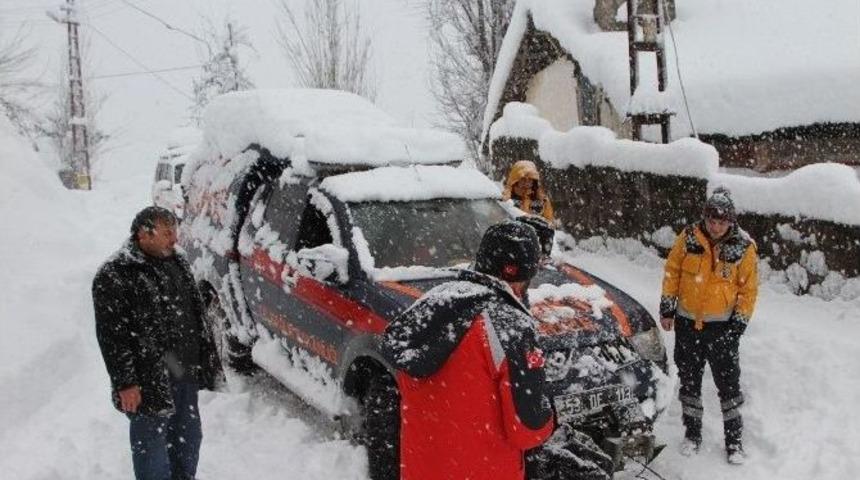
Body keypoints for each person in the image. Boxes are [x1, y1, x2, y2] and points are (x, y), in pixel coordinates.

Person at [383, 221, 555, 480]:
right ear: (523, 276)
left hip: (423, 469)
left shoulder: (434, 302)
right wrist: (550, 413)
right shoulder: (509, 325)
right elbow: (528, 428)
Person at [93, 206, 222, 480]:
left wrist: (205, 360)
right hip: (146, 377)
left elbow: (193, 313)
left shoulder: (177, 261)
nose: (174, 239)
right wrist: (125, 382)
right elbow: (112, 337)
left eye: (175, 231)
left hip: (180, 369)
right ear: (144, 234)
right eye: (167, 233)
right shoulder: (115, 274)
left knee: (188, 438)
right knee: (151, 446)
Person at [659, 188, 759, 465]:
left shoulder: (744, 247)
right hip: (687, 325)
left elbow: (748, 292)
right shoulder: (689, 237)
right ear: (705, 218)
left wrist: (736, 328)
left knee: (729, 387)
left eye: (721, 222)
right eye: (712, 221)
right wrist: (667, 309)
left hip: (722, 329)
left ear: (730, 222)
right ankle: (692, 434)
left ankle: (734, 442)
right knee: (689, 383)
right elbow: (672, 272)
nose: (715, 227)